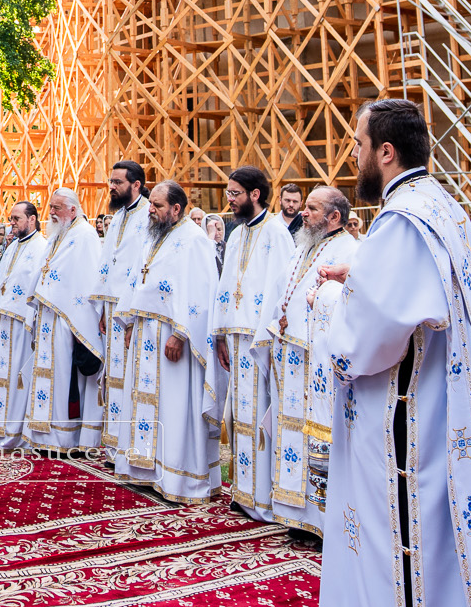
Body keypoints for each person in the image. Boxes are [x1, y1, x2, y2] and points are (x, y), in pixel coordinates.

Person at [315, 98, 471, 607]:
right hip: (439, 397)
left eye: (359, 145)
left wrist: (327, 300)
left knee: (401, 531)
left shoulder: (402, 218)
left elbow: (372, 333)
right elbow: (408, 293)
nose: (354, 156)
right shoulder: (439, 203)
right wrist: (360, 278)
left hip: (404, 410)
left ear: (385, 152)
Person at [257, 186, 356, 537]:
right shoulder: (304, 245)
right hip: (290, 357)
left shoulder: (350, 251)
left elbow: (345, 308)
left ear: (334, 217)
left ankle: (321, 521)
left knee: (316, 437)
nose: (304, 213)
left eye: (312, 208)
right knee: (290, 434)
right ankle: (293, 513)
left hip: (317, 365)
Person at [110, 180, 217, 501]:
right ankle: (144, 469)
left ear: (176, 209)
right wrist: (129, 321)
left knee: (173, 406)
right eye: (150, 204)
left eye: (157, 205)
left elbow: (200, 293)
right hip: (145, 332)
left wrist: (182, 334)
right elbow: (137, 279)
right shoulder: (153, 235)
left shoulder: (194, 240)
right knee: (142, 402)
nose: (151, 210)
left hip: (174, 339)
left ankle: (178, 477)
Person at [211, 165, 296, 523]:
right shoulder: (237, 233)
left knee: (259, 417)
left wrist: (268, 339)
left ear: (255, 194)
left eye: (234, 194)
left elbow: (282, 291)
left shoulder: (276, 233)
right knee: (239, 416)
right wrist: (219, 333)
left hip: (261, 341)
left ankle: (264, 498)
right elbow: (225, 286)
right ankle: (244, 493)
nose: (229, 200)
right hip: (236, 336)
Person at [27, 188, 105, 453]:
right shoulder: (58, 234)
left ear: (73, 209)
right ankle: (43, 435)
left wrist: (76, 317)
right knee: (50, 375)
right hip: (50, 316)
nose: (51, 212)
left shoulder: (84, 235)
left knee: (63, 377)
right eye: (51, 207)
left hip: (68, 318)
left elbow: (86, 278)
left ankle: (63, 438)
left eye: (57, 207)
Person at [94, 159, 153, 479]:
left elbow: (142, 268)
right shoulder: (116, 219)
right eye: (111, 182)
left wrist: (129, 314)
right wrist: (104, 310)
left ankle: (131, 445)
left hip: (133, 313)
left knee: (132, 379)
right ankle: (114, 444)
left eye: (117, 182)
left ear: (136, 185)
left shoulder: (149, 216)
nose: (112, 187)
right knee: (114, 377)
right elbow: (108, 267)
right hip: (113, 312)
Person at [0, 201, 46, 450]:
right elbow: (0, 286)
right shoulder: (11, 247)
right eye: (11, 218)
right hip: (4, 323)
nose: (12, 223)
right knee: (1, 378)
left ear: (32, 219)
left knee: (18, 379)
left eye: (17, 218)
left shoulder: (41, 247)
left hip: (23, 326)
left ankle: (17, 433)